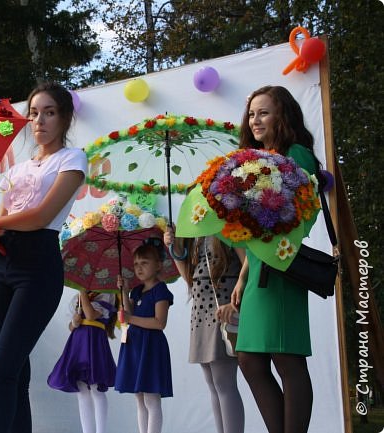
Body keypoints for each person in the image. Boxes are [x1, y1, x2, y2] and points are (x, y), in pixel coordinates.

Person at [0, 81, 87, 433]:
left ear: (65, 118)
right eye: (34, 113)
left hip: (38, 267)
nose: (40, 121)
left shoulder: (73, 159)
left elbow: (40, 216)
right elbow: (3, 222)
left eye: (49, 112)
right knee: (14, 371)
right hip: (2, 267)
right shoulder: (18, 169)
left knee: (0, 369)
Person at [230, 85, 320, 433]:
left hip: (283, 265)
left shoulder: (296, 152)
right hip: (258, 271)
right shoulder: (250, 159)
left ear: (282, 115)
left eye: (264, 112)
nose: (255, 120)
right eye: (252, 113)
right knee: (249, 359)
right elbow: (251, 225)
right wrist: (242, 276)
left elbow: (296, 212)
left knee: (286, 357)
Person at [164, 231, 245, 433]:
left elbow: (248, 264)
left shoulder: (228, 226)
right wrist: (173, 249)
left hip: (223, 307)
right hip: (201, 311)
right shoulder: (196, 234)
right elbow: (190, 279)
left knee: (224, 381)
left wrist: (235, 304)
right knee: (213, 383)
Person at [114, 240, 173, 433]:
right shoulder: (137, 290)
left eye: (144, 263)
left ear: (158, 265)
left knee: (151, 397)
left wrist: (131, 318)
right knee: (139, 396)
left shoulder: (160, 290)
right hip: (134, 345)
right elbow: (128, 312)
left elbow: (159, 323)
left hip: (151, 347)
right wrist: (123, 291)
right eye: (136, 264)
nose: (139, 268)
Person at [47, 289, 117, 433]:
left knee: (96, 388)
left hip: (94, 342)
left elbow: (91, 315)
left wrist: (83, 293)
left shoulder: (107, 295)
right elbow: (71, 327)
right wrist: (74, 321)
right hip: (78, 342)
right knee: (82, 390)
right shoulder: (77, 298)